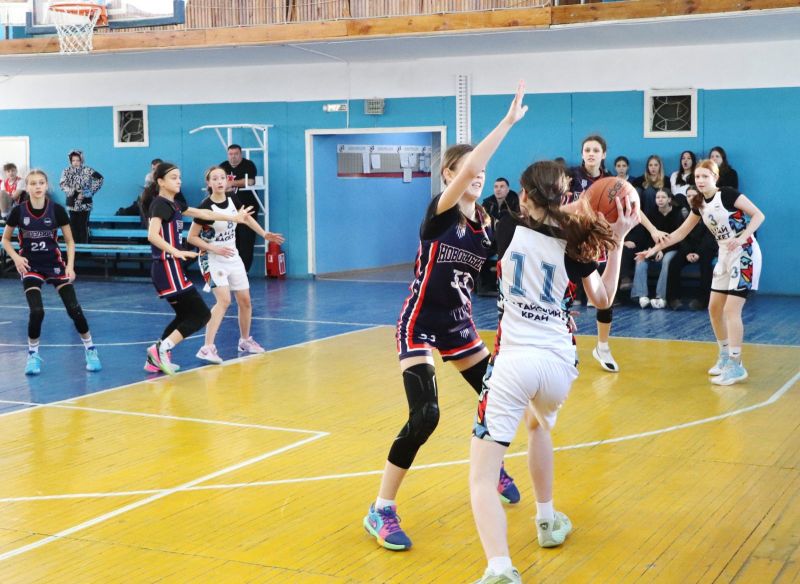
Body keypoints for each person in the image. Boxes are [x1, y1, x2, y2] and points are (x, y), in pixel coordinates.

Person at [363, 82, 528, 552]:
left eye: (480, 170)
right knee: (425, 415)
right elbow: (473, 165)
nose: (477, 174)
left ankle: (492, 466)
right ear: (450, 174)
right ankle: (381, 509)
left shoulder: (487, 227)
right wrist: (508, 122)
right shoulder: (438, 212)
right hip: (418, 324)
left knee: (500, 400)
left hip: (459, 326)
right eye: (467, 168)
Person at [469, 161, 640, 583]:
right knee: (538, 426)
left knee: (482, 478)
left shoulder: (506, 228)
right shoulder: (575, 244)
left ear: (524, 196)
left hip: (514, 361)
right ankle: (546, 520)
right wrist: (618, 239)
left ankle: (500, 568)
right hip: (559, 365)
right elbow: (604, 300)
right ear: (563, 196)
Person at [636, 160, 764, 386]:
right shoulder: (699, 204)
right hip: (725, 255)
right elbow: (679, 234)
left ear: (715, 177)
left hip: (745, 253)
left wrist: (742, 237)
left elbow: (758, 215)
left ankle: (736, 364)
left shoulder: (728, 194)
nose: (701, 180)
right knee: (714, 308)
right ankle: (724, 356)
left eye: (705, 176)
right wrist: (652, 250)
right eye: (697, 177)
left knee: (731, 310)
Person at [141, 162, 254, 375]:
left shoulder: (175, 204)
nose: (179, 181)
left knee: (184, 315)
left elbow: (205, 214)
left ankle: (155, 358)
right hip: (167, 267)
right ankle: (160, 350)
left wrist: (234, 218)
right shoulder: (160, 204)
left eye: (179, 177)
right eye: (174, 177)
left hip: (171, 267)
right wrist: (175, 251)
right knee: (200, 314)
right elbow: (152, 235)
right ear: (161, 182)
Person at [1, 169, 102, 375]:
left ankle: (90, 349)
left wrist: (70, 266)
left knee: (74, 309)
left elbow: (70, 241)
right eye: (33, 183)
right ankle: (32, 355)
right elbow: (5, 239)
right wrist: (17, 258)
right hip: (31, 266)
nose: (37, 186)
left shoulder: (57, 210)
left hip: (54, 264)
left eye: (41, 182)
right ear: (27, 187)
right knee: (37, 311)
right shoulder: (19, 211)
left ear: (47, 185)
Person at [187, 166, 285, 363]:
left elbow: (245, 218)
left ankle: (245, 340)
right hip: (211, 258)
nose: (219, 181)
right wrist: (214, 249)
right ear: (209, 183)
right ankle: (207, 348)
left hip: (232, 256)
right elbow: (192, 237)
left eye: (222, 178)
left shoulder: (232, 198)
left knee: (245, 301)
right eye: (215, 178)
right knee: (224, 301)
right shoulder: (205, 207)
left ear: (227, 181)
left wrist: (264, 233)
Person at [666, 187, 718, 311]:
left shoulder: (708, 212)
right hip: (688, 248)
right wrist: (688, 252)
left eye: (693, 195)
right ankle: (673, 299)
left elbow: (709, 236)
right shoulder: (682, 213)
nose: (690, 198)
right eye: (688, 196)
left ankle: (703, 300)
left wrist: (698, 253)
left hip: (706, 248)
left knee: (706, 265)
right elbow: (681, 235)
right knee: (674, 263)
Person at [631, 189, 683, 309]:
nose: (660, 200)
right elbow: (646, 236)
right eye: (657, 197)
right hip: (654, 248)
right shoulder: (651, 213)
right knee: (641, 260)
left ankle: (661, 297)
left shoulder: (677, 214)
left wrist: (662, 250)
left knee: (667, 260)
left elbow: (677, 239)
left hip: (671, 248)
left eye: (663, 197)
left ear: (669, 199)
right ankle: (641, 295)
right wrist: (651, 249)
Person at [220, 144, 259, 272]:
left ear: (240, 154)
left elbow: (250, 181)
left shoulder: (248, 165)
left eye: (236, 154)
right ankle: (232, 270)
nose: (233, 157)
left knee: (246, 241)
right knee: (231, 241)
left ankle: (244, 271)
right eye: (230, 154)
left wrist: (231, 183)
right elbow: (217, 183)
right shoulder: (223, 166)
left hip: (246, 209)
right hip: (229, 211)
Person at [478, 178, 521, 295]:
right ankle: (484, 287)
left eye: (502, 186)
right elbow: (480, 221)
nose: (498, 189)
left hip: (509, 240)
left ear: (507, 189)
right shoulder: (487, 203)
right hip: (491, 239)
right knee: (480, 250)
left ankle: (507, 286)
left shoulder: (515, 203)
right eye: (496, 187)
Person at [59, 150, 103, 244]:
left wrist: (89, 192)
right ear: (70, 161)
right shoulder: (66, 171)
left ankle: (85, 248)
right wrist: (75, 193)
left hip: (85, 203)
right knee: (73, 226)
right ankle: (75, 248)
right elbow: (63, 185)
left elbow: (100, 179)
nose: (75, 162)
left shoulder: (88, 170)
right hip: (72, 203)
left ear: (81, 160)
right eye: (73, 160)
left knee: (83, 225)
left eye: (78, 160)